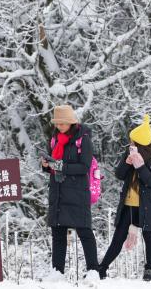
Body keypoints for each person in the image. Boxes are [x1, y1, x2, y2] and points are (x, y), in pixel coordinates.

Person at [97, 115, 151, 281]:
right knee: (118, 237)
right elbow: (119, 175)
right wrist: (127, 162)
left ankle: (149, 270)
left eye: (133, 141)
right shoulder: (131, 151)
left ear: (141, 142)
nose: (131, 144)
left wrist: (140, 165)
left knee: (149, 237)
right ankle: (101, 268)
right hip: (129, 203)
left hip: (148, 205)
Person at [41, 104, 99, 279]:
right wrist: (46, 165)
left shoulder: (83, 139)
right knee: (57, 233)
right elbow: (53, 165)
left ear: (71, 123)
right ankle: (57, 272)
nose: (59, 127)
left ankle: (93, 271)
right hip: (58, 190)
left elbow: (84, 167)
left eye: (62, 124)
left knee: (84, 231)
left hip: (77, 192)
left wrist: (60, 166)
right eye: (57, 124)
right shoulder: (54, 139)